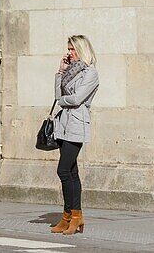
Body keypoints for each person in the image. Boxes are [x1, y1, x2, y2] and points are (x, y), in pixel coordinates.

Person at [51, 34, 99, 236]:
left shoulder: (90, 73)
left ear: (81, 50)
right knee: (71, 172)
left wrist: (63, 99)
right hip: (63, 124)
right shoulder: (69, 71)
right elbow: (57, 95)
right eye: (68, 49)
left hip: (77, 125)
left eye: (72, 49)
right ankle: (69, 217)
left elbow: (77, 98)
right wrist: (60, 73)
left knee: (63, 170)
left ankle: (75, 215)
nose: (68, 53)